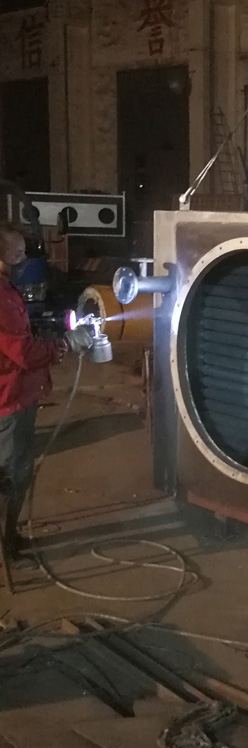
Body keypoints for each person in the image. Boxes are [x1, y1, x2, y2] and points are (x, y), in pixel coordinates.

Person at [0, 224, 91, 565]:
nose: (23, 259)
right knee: (12, 475)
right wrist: (65, 343)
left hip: (11, 394)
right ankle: (5, 547)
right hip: (10, 399)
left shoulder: (7, 289)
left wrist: (47, 334)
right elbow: (23, 353)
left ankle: (7, 537)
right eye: (17, 253)